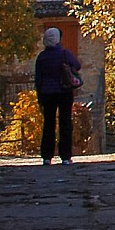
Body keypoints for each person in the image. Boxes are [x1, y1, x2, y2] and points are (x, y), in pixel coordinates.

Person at [34, 25, 81, 164]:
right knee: (65, 122)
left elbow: (38, 78)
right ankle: (65, 156)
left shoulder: (41, 57)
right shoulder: (65, 54)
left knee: (48, 123)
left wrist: (39, 96)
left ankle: (47, 156)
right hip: (64, 91)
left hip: (47, 93)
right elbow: (77, 65)